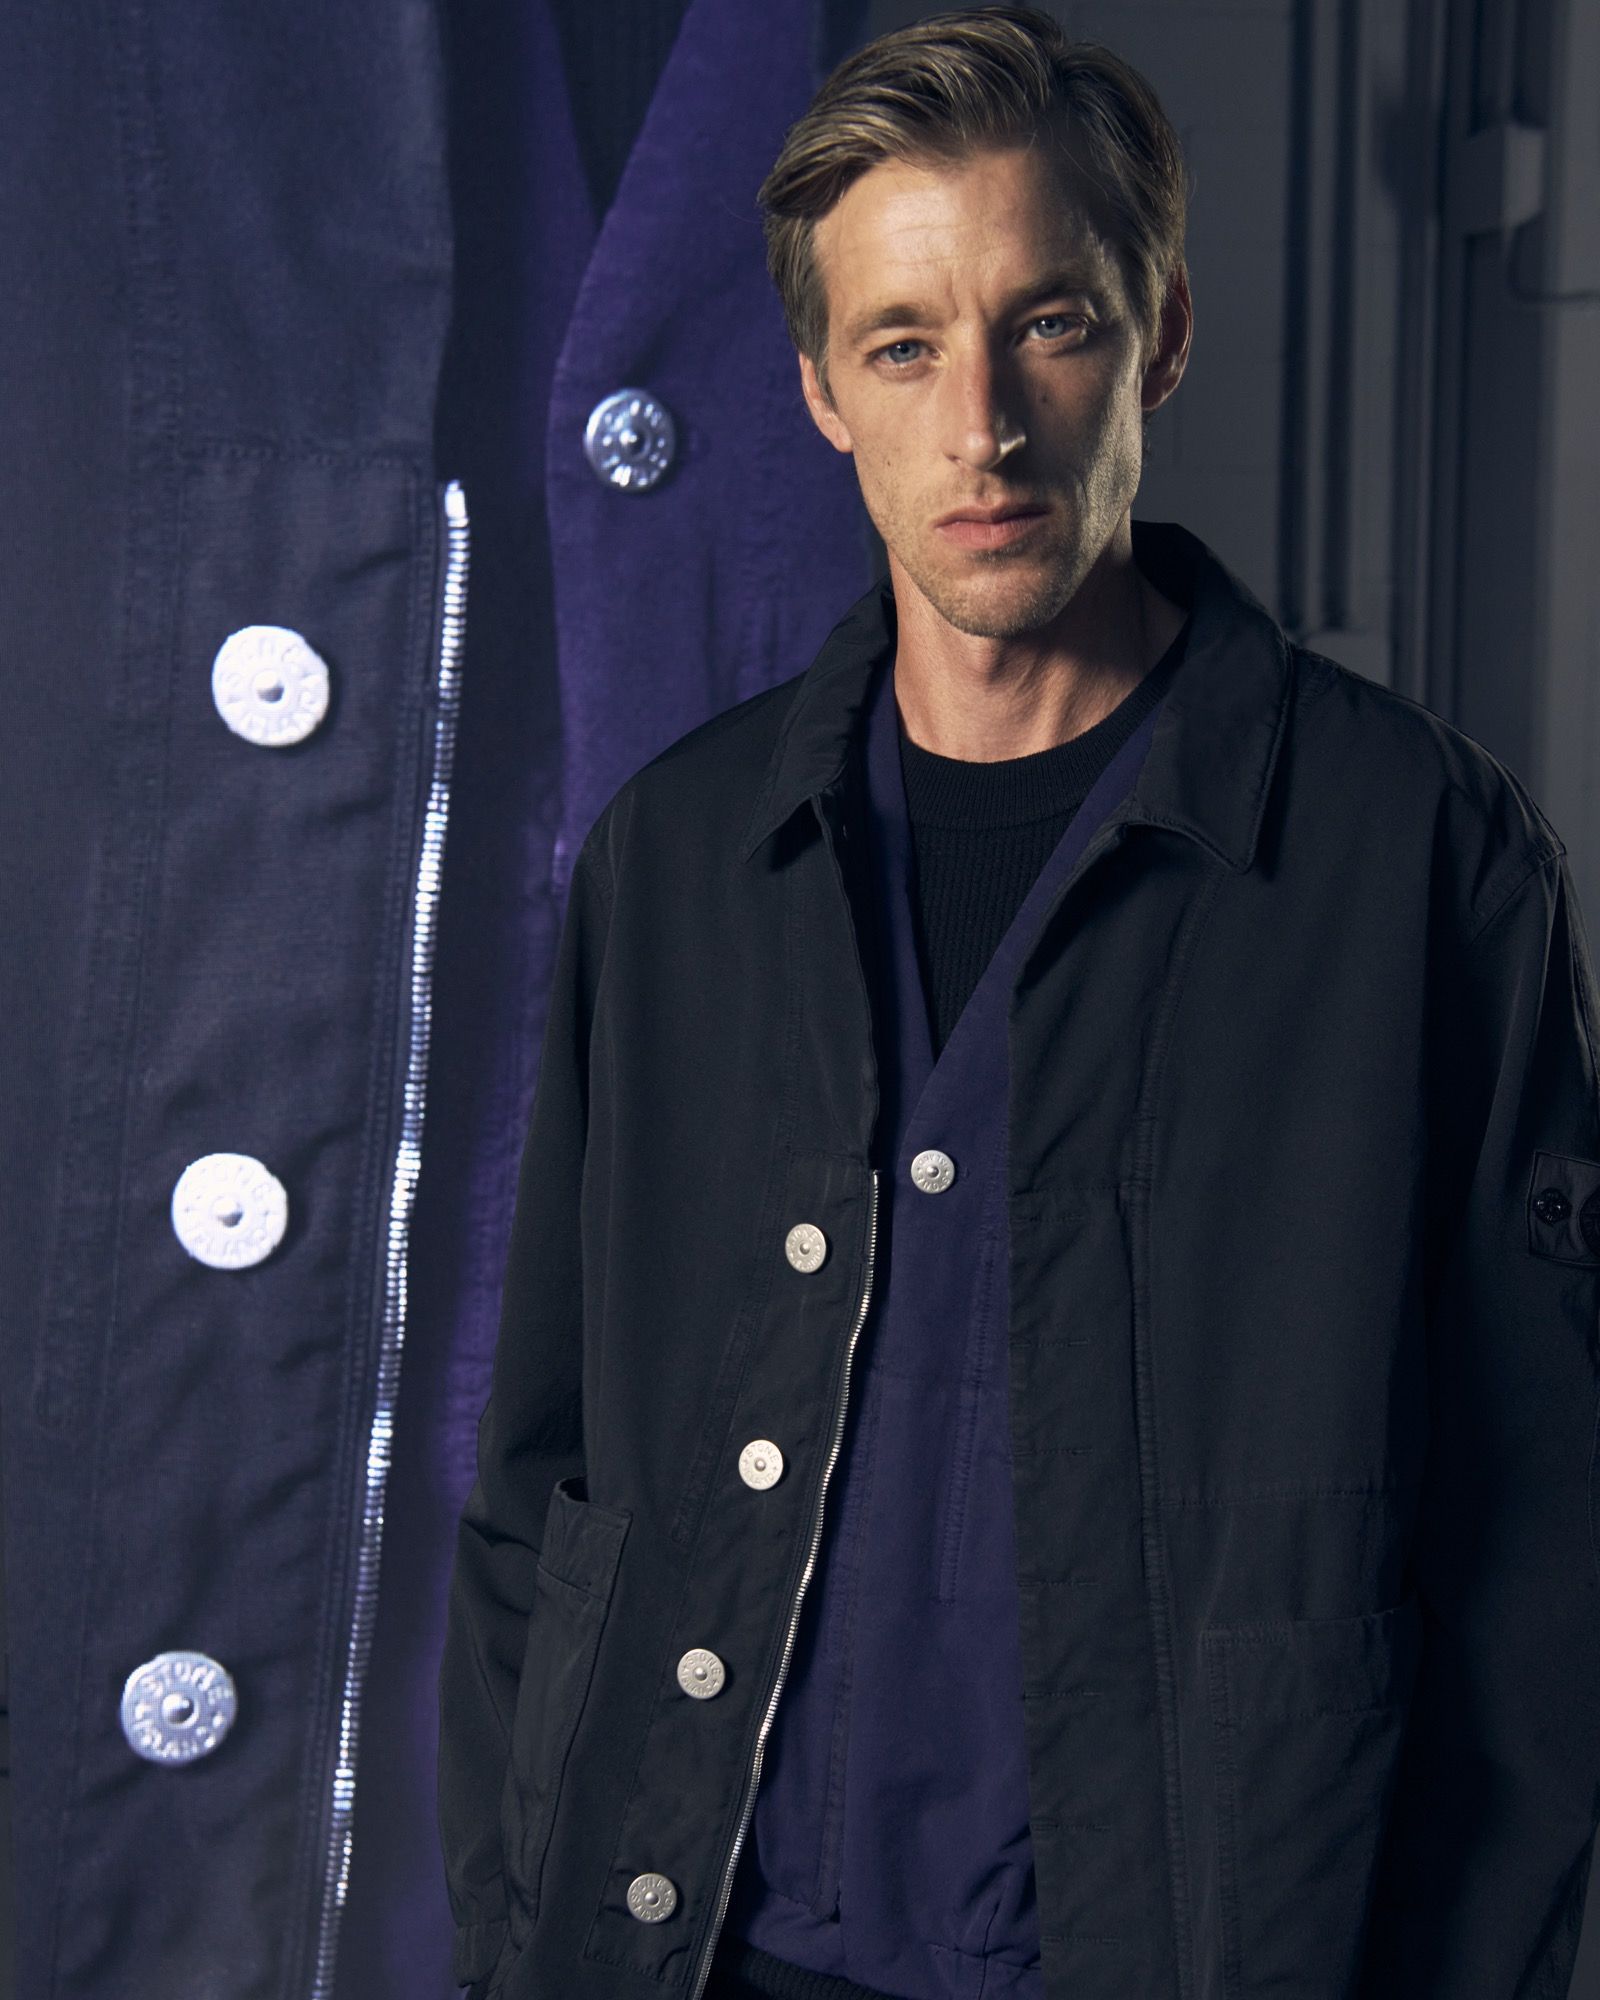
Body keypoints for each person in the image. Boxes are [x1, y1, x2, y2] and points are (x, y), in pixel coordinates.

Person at [438, 10, 1600, 2000]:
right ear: (822, 395)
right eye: (902, 345)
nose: (980, 423)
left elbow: (1544, 1574)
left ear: (1157, 337)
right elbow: (540, 1486)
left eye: (1045, 324)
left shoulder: (1416, 857)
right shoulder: (681, 859)